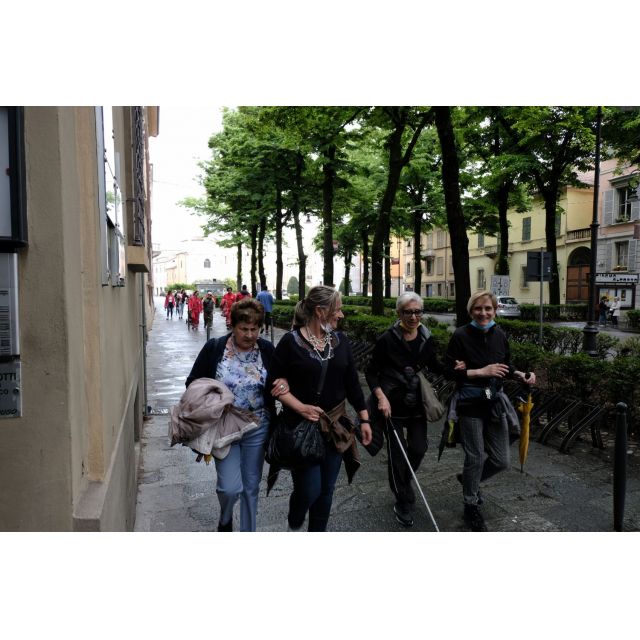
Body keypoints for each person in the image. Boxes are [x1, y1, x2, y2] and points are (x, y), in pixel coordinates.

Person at [267, 285, 372, 532]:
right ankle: (296, 514)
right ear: (320, 311)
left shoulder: (341, 341)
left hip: (334, 428)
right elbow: (272, 382)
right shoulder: (290, 342)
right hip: (300, 428)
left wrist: (365, 419)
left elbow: (352, 383)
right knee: (309, 490)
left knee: (326, 492)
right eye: (337, 309)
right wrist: (300, 407)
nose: (341, 315)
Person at [185, 298, 288, 532]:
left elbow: (280, 378)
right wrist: (214, 400)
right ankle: (225, 518)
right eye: (244, 329)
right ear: (233, 326)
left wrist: (283, 383)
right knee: (229, 488)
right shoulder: (215, 348)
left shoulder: (266, 350)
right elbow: (193, 382)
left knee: (251, 487)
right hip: (224, 428)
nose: (250, 335)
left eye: (254, 329)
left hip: (257, 425)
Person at [365, 292, 461, 528]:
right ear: (399, 313)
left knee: (419, 448)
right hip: (391, 406)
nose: (413, 317)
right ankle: (403, 501)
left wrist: (456, 370)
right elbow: (371, 372)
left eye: (418, 312)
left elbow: (434, 365)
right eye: (408, 312)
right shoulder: (387, 339)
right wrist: (381, 398)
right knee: (398, 456)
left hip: (416, 404)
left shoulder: (426, 338)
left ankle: (404, 481)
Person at [444, 290, 536, 532]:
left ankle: (469, 480)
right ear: (470, 311)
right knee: (474, 457)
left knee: (501, 460)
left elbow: (506, 365)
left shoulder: (499, 334)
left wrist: (521, 375)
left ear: (495, 311)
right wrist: (479, 372)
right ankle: (470, 504)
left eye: (488, 308)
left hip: (494, 402)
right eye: (478, 308)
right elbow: (448, 371)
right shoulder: (460, 335)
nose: (483, 313)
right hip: (470, 404)